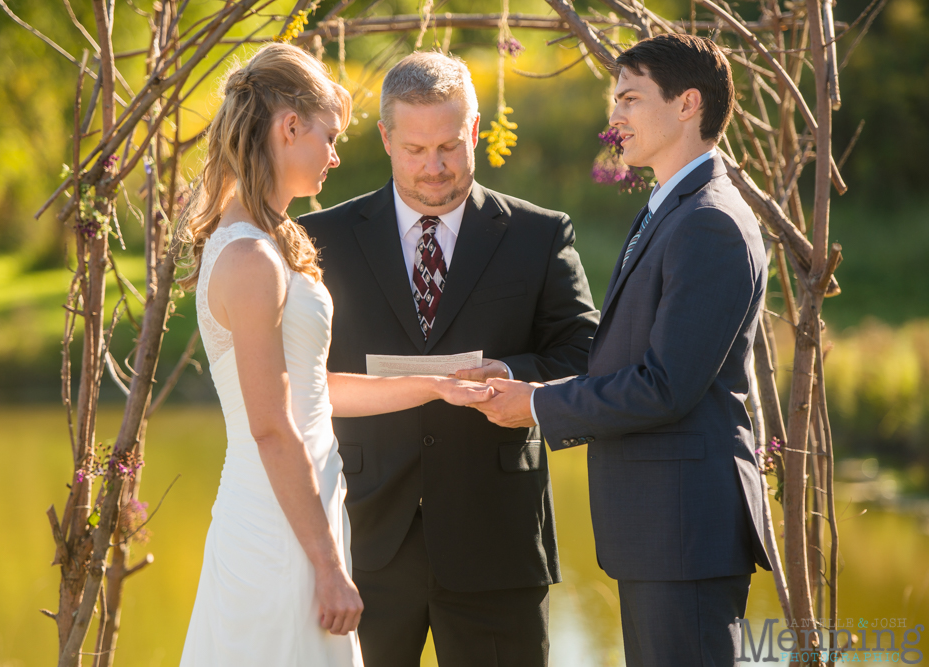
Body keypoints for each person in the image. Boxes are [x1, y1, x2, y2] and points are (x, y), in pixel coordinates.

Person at [175, 43, 493, 667]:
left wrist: (436, 384)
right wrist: (326, 565)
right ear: (290, 127)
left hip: (305, 509)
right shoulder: (249, 258)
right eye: (329, 135)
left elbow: (312, 390)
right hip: (277, 526)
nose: (336, 154)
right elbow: (270, 427)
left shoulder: (270, 242)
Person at [476, 34, 774, 666]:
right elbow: (625, 351)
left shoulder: (709, 222)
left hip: (686, 533)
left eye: (631, 99)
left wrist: (537, 405)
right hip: (664, 534)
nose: (614, 119)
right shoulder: (671, 208)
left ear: (689, 103)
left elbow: (665, 385)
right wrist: (515, 373)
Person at [300, 51, 600, 667]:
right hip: (362, 540)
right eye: (414, 150)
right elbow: (301, 376)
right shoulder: (322, 238)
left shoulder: (540, 235)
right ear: (385, 138)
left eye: (450, 146)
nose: (434, 168)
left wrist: (515, 376)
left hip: (498, 543)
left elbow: (586, 350)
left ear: (476, 129)